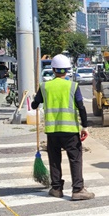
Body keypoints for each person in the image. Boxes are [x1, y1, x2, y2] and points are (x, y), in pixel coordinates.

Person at [31, 54, 95, 201]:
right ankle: (78, 189)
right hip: (70, 131)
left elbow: (35, 104)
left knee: (54, 159)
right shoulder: (73, 86)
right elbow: (81, 107)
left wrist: (36, 97)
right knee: (75, 159)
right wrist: (85, 126)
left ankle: (56, 188)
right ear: (67, 70)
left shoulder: (45, 86)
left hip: (52, 131)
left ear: (53, 69)